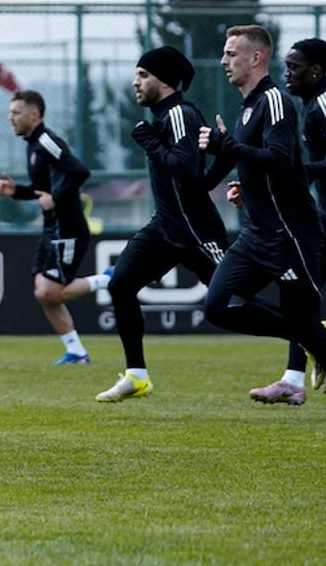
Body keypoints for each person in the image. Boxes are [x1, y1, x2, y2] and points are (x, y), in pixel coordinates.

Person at [197, 24, 326, 430]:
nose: (223, 60)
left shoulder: (275, 101)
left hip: (291, 235)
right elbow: (250, 165)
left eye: (231, 53)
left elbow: (282, 160)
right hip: (256, 233)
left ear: (255, 58)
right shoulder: (248, 106)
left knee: (305, 325)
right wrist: (239, 185)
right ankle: (313, 337)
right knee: (217, 305)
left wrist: (226, 147)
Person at [95, 47, 229, 401]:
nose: (135, 82)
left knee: (233, 305)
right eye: (136, 74)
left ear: (166, 81)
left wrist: (149, 141)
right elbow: (198, 177)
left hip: (196, 230)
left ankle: (309, 335)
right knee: (121, 285)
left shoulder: (179, 114)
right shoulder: (163, 117)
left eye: (143, 75)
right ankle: (137, 376)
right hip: (165, 227)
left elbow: (185, 171)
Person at [245, 38, 326, 405]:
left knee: (302, 296)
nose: (287, 73)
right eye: (287, 66)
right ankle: (293, 382)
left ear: (316, 71)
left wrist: (304, 172)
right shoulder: (311, 103)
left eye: (294, 67)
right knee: (301, 297)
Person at [0, 90, 108, 365]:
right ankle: (76, 353)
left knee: (50, 292)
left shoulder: (46, 140)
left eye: (16, 113)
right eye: (10, 112)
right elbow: (42, 190)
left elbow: (79, 171)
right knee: (43, 294)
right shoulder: (32, 145)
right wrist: (17, 192)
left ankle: (108, 280)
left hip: (67, 229)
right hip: (51, 229)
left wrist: (55, 198)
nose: (10, 118)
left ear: (34, 115)